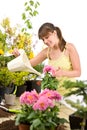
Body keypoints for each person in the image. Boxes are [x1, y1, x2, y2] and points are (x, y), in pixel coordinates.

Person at [13, 22, 81, 95]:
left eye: (47, 37)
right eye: (43, 39)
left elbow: (78, 72)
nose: (45, 41)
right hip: (54, 95)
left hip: (71, 94)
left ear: (54, 33)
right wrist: (19, 57)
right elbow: (29, 63)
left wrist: (63, 73)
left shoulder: (69, 48)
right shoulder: (47, 52)